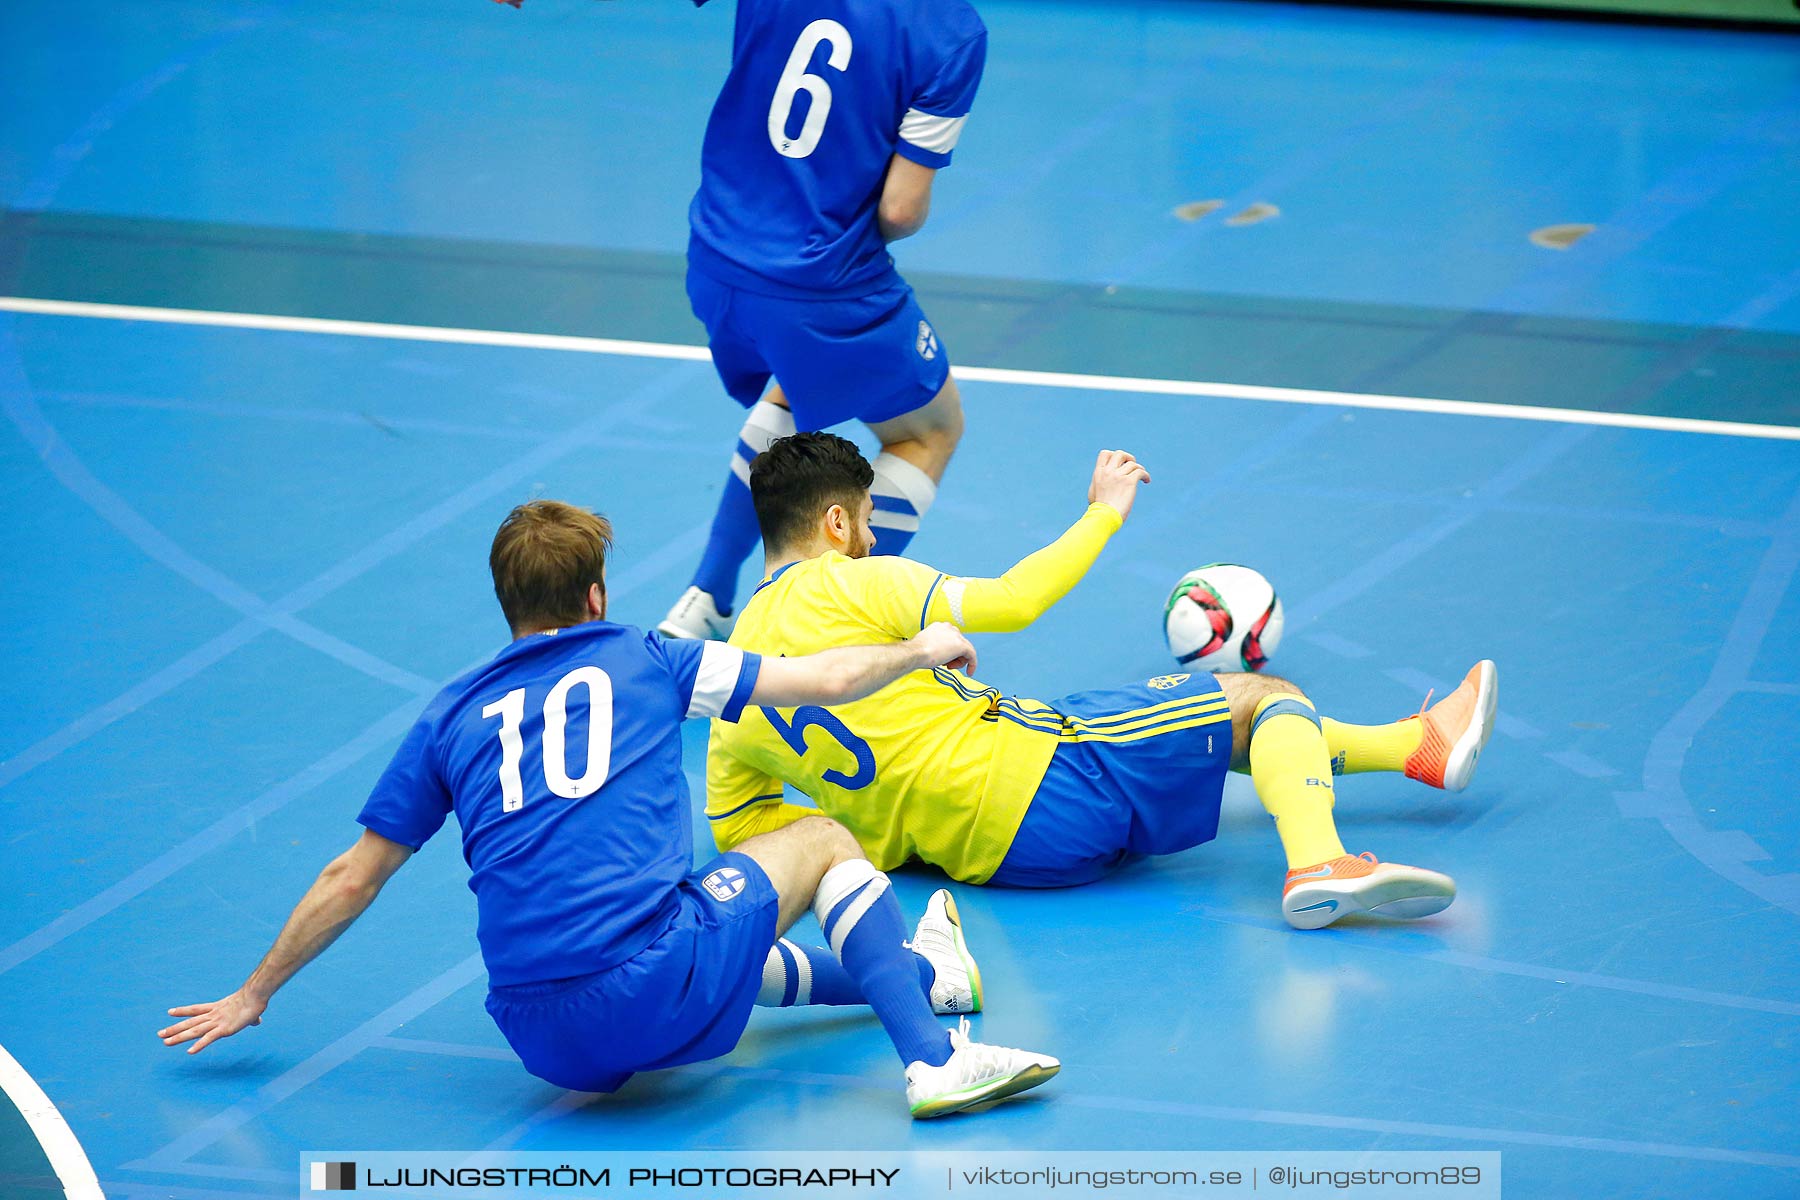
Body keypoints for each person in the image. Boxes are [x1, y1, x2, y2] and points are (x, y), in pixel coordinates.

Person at [158, 500, 1057, 1118]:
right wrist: (923, 643)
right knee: (817, 840)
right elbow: (823, 680)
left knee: (704, 927)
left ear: (507, 604)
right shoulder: (648, 656)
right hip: (656, 983)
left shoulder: (449, 716)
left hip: (544, 1041)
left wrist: (253, 992)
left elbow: (351, 876)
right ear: (595, 597)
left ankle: (922, 974)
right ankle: (936, 1064)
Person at [704, 435, 1499, 929]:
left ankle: (1418, 745)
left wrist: (888, 819)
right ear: (836, 523)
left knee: (1183, 726)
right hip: (1044, 784)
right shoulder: (849, 580)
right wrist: (1104, 512)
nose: (873, 534)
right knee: (1262, 698)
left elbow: (743, 830)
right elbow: (1013, 602)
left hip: (995, 860)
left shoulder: (733, 687)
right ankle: (1321, 864)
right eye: (867, 518)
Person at [653, 0, 988, 638]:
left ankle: (707, 599)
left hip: (717, 259)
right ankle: (816, 628)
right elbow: (899, 209)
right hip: (820, 286)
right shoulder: (951, 31)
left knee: (798, 382)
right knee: (930, 431)